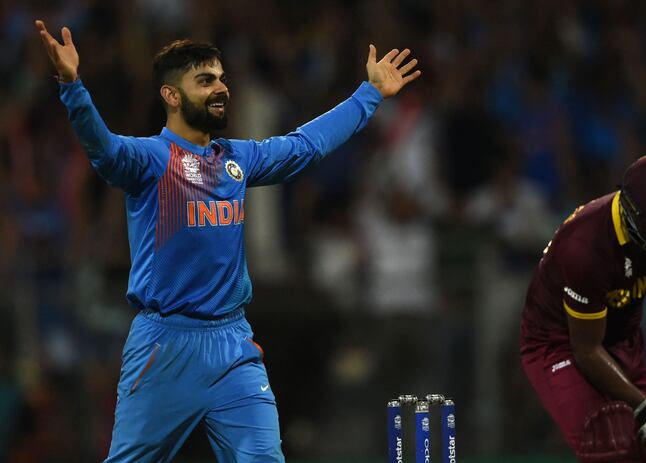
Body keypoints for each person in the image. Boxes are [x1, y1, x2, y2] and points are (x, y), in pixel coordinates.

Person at [35, 19, 420, 463]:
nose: (220, 88)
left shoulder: (236, 159)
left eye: (221, 78)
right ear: (171, 95)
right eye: (205, 80)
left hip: (233, 344)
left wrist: (368, 95)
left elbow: (305, 145)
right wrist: (72, 85)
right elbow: (104, 149)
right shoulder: (150, 160)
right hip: (165, 346)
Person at [520, 153, 646, 462]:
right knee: (610, 440)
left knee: (645, 449)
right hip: (559, 343)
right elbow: (587, 349)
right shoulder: (585, 248)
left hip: (622, 337)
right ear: (632, 215)